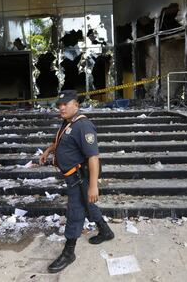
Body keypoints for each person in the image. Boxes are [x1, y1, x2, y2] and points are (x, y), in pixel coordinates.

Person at [39, 90, 114, 273]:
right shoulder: (68, 123)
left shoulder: (84, 126)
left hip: (79, 178)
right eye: (60, 104)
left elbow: (93, 157)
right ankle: (105, 231)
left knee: (75, 212)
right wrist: (49, 150)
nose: (61, 107)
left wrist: (94, 186)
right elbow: (63, 142)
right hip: (72, 177)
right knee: (88, 206)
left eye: (66, 104)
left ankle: (69, 252)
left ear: (76, 105)